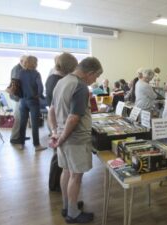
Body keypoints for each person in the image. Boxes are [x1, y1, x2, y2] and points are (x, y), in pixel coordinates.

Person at [48, 57, 103, 223]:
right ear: (89, 73)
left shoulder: (61, 81)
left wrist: (55, 133)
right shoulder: (80, 86)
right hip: (75, 139)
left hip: (62, 136)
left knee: (66, 171)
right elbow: (73, 118)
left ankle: (68, 205)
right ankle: (73, 213)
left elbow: (51, 110)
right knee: (76, 176)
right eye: (96, 76)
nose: (95, 80)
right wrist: (62, 137)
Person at [18, 56, 47, 151]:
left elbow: (17, 86)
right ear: (34, 63)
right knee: (35, 124)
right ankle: (37, 145)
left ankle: (21, 144)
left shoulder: (20, 73)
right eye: (36, 62)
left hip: (22, 101)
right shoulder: (36, 74)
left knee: (23, 122)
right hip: (33, 101)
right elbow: (40, 87)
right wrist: (38, 96)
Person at [10, 55, 29, 144]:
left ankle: (20, 136)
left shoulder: (21, 68)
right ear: (21, 61)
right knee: (18, 118)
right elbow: (16, 84)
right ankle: (14, 138)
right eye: (26, 62)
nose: (27, 64)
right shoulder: (17, 69)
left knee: (21, 118)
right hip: (19, 97)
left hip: (21, 97)